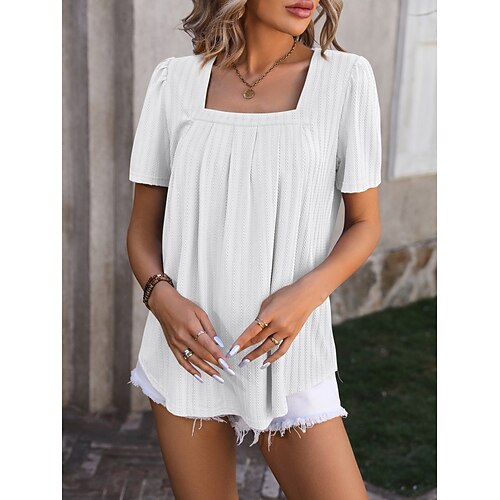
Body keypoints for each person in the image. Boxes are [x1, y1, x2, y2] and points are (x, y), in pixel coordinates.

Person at [126, 1, 381, 498]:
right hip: (189, 354)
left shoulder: (345, 79)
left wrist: (305, 297)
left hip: (286, 355)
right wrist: (162, 300)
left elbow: (365, 223)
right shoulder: (174, 81)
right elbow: (141, 230)